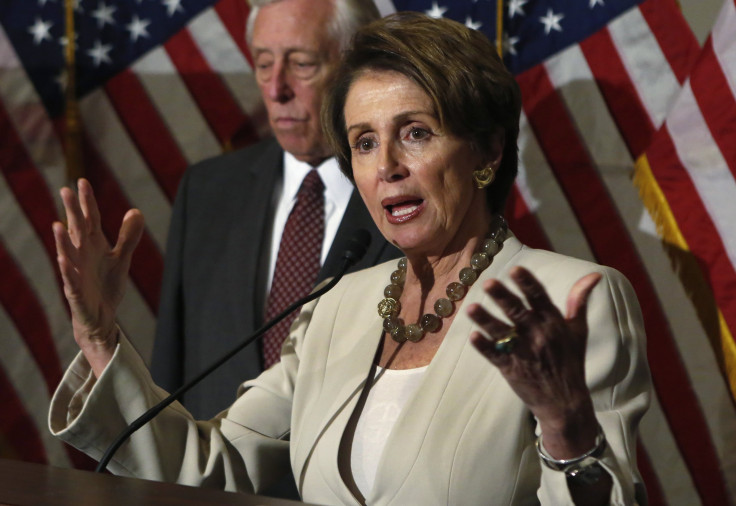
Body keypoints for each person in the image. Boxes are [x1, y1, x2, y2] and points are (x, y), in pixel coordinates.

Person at [49, 12, 650, 505]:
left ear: (487, 149)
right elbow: (215, 469)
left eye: (415, 132)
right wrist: (102, 339)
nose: (386, 165)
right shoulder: (336, 306)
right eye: (364, 142)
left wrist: (567, 429)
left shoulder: (572, 301)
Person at [152, 0, 399, 420]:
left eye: (301, 64)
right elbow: (170, 372)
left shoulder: (408, 196)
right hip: (208, 480)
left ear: (359, 68)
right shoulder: (207, 191)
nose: (275, 88)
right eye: (263, 64)